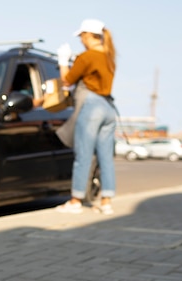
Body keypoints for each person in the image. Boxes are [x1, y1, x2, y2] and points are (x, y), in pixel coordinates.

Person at [56, 18, 117, 215]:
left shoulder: (87, 57)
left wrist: (63, 61)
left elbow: (67, 81)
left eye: (82, 36)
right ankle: (106, 202)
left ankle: (75, 201)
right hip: (109, 108)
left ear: (88, 35)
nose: (81, 40)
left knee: (83, 155)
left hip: (91, 107)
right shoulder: (109, 57)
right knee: (105, 157)